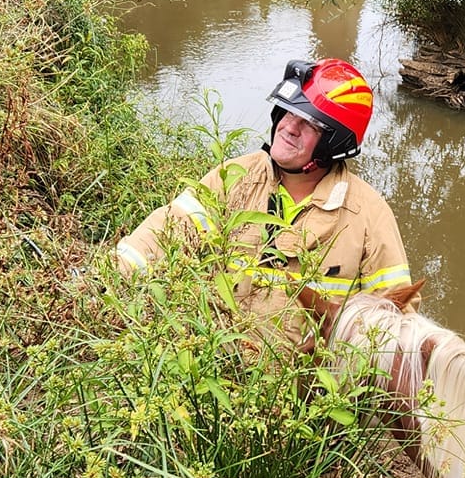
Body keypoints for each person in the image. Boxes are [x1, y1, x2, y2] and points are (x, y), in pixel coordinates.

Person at [114, 58, 414, 324]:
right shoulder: (234, 178)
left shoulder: (369, 215)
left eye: (310, 124)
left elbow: (396, 322)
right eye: (287, 112)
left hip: (305, 384)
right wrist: (107, 277)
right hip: (218, 365)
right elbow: (166, 231)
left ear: (334, 144)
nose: (289, 128)